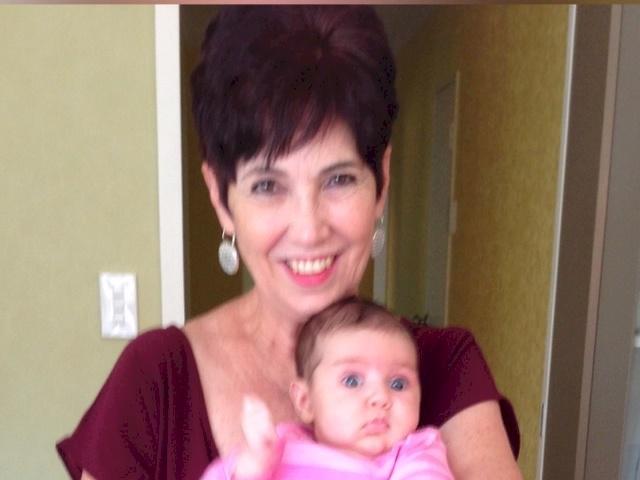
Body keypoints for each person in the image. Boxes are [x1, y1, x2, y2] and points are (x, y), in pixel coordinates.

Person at [56, 6, 522, 480]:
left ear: (381, 182)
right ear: (220, 197)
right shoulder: (154, 379)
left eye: (339, 179)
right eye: (267, 185)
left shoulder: (442, 367)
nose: (308, 229)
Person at [201, 297, 454, 479]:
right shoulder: (279, 446)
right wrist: (252, 467)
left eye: (398, 383)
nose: (380, 397)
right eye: (352, 381)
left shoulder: (415, 452)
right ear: (305, 402)